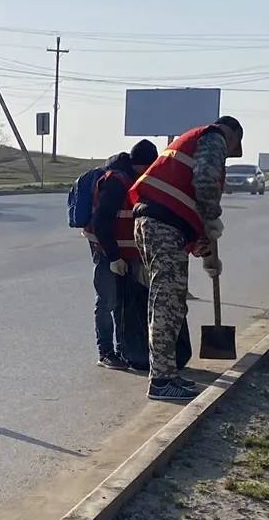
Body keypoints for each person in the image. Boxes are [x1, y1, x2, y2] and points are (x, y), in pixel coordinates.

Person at [128, 115, 245, 402]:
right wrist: (212, 218)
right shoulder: (214, 136)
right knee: (167, 304)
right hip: (162, 225)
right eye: (230, 153)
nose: (225, 159)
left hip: (159, 224)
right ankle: (162, 380)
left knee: (168, 302)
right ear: (233, 137)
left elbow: (183, 201)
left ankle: (165, 374)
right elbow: (205, 183)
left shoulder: (191, 142)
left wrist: (203, 246)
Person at [90, 139, 157, 372]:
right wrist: (114, 256)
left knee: (121, 305)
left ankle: (123, 352)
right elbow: (101, 223)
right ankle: (106, 352)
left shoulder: (131, 179)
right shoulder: (116, 182)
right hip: (108, 252)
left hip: (124, 254)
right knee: (107, 303)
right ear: (142, 164)